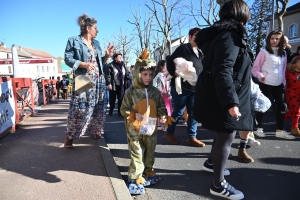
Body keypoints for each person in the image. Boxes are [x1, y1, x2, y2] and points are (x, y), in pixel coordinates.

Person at [193, 0, 253, 199]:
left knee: (222, 134)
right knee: (226, 136)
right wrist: (231, 102)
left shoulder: (221, 33)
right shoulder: (231, 35)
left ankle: (212, 164)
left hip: (219, 91)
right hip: (224, 94)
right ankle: (218, 185)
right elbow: (223, 68)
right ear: (242, 15)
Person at [120, 49, 174, 195]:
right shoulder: (130, 92)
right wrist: (132, 114)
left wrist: (163, 115)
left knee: (150, 149)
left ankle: (148, 171)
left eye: (150, 74)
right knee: (137, 151)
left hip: (150, 126)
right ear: (138, 74)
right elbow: (123, 109)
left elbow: (161, 106)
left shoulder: (154, 92)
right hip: (134, 128)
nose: (148, 78)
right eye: (145, 74)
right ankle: (135, 177)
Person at [63, 14, 114, 149]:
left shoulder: (96, 43)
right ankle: (69, 137)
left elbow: (99, 63)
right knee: (79, 109)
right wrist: (83, 64)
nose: (98, 31)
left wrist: (107, 55)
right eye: (95, 28)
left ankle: (97, 132)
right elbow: (68, 59)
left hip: (99, 80)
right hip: (84, 78)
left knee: (99, 108)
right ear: (88, 28)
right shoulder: (74, 41)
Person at [251, 30, 295, 140]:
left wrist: (284, 83)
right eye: (272, 38)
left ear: (281, 41)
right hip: (266, 83)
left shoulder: (284, 53)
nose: (274, 40)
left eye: (277, 39)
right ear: (269, 40)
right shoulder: (263, 52)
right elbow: (255, 68)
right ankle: (258, 128)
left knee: (282, 106)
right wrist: (260, 76)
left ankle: (279, 131)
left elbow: (283, 70)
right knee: (263, 106)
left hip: (279, 84)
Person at [165, 27, 205, 147]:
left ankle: (192, 137)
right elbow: (170, 61)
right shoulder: (184, 48)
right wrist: (173, 72)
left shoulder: (200, 51)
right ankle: (169, 132)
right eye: (196, 36)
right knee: (178, 111)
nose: (198, 38)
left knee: (194, 112)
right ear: (190, 36)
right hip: (181, 87)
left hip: (195, 87)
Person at [105, 52, 131, 116]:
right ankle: (111, 111)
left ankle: (120, 112)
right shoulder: (111, 65)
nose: (120, 58)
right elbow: (108, 75)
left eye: (121, 57)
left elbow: (127, 73)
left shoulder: (123, 65)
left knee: (121, 99)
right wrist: (109, 83)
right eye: (119, 57)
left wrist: (127, 79)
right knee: (112, 99)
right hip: (114, 85)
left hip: (121, 85)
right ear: (115, 58)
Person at [285, 56, 300, 137]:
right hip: (292, 94)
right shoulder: (289, 74)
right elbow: (284, 81)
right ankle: (294, 128)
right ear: (294, 65)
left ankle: (282, 118)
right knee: (297, 111)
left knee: (293, 111)